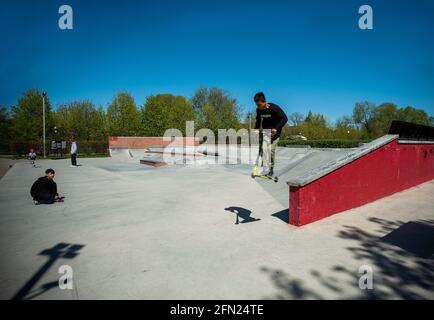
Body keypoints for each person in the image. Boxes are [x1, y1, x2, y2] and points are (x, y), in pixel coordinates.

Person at [254, 92, 288, 177]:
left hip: (276, 133)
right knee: (264, 149)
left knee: (271, 150)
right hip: (266, 132)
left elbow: (285, 119)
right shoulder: (259, 110)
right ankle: (265, 168)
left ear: (264, 102)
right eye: (256, 105)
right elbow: (258, 121)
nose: (258, 107)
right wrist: (256, 129)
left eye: (259, 105)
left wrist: (276, 128)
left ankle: (271, 170)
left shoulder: (274, 108)